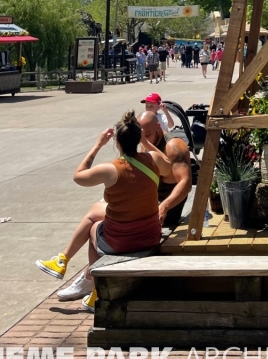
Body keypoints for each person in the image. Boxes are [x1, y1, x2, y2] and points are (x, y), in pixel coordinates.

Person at [34, 110, 173, 310]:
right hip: (150, 235)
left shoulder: (110, 169)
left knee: (94, 228)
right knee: (94, 211)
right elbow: (168, 166)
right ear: (137, 138)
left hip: (123, 241)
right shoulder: (153, 159)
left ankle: (92, 286)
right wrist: (146, 143)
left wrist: (97, 145)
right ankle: (64, 261)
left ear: (117, 142)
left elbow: (78, 176)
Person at [138, 110, 192, 229]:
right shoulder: (146, 143)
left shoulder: (173, 146)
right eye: (141, 136)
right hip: (150, 201)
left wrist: (164, 207)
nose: (144, 140)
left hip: (167, 207)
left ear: (158, 126)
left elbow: (186, 183)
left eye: (148, 135)